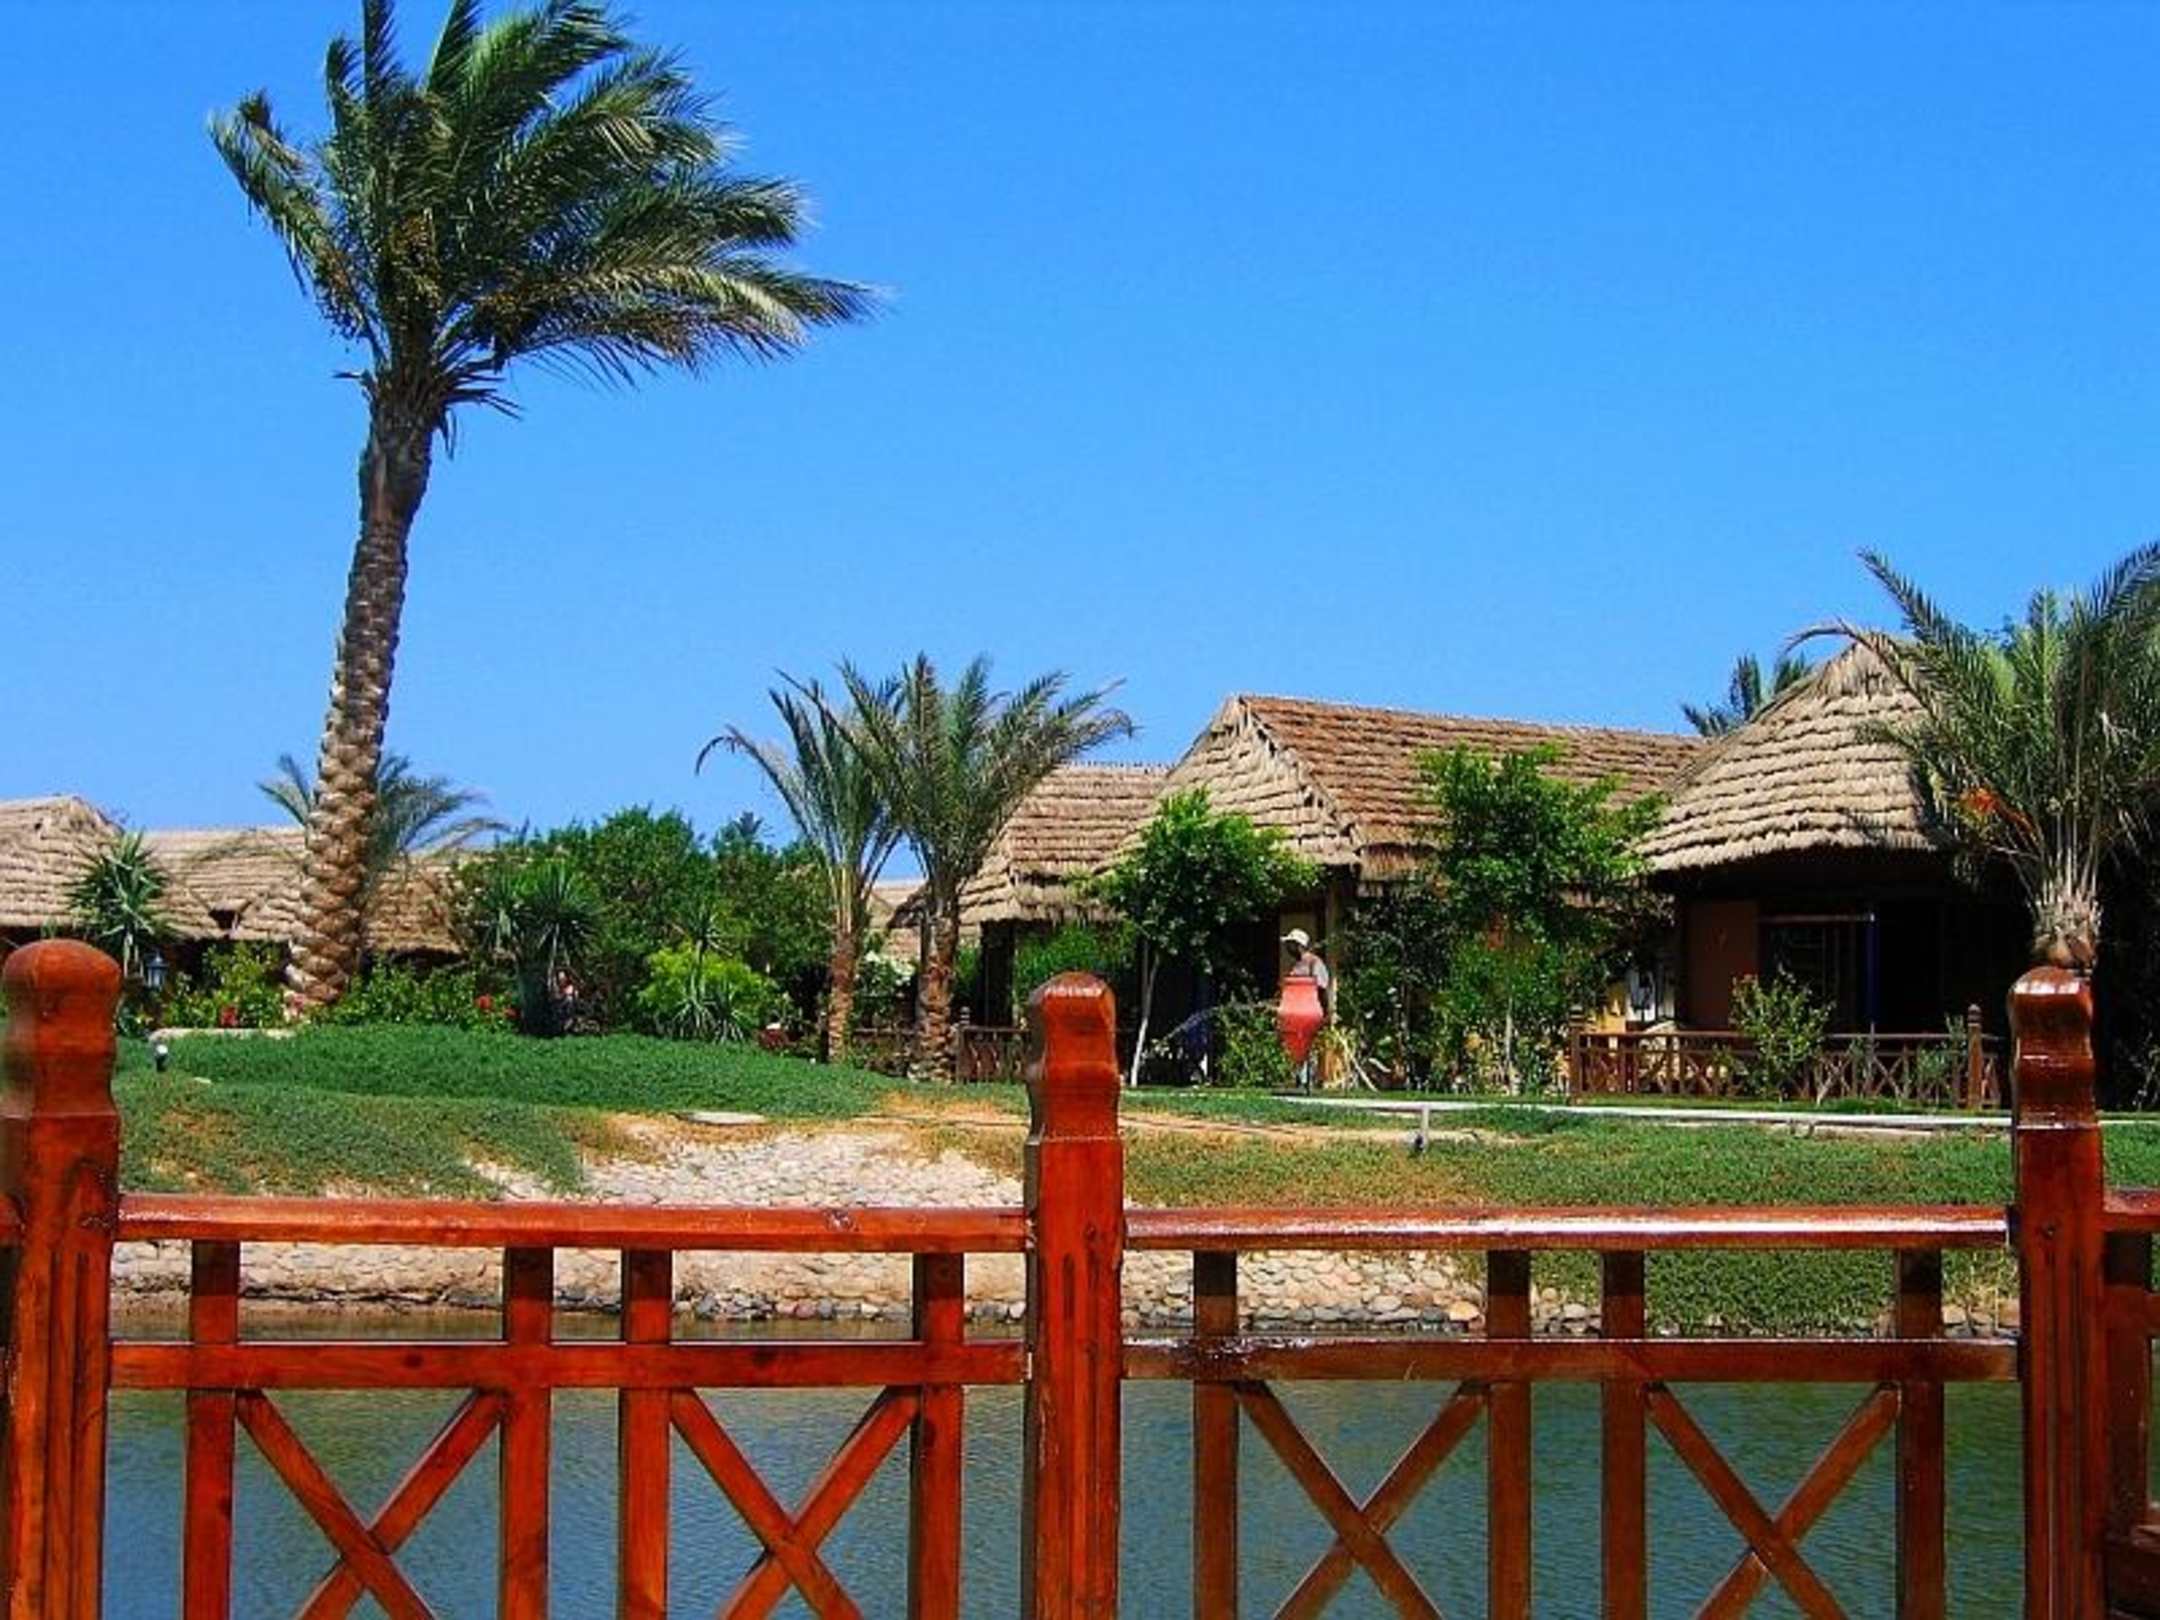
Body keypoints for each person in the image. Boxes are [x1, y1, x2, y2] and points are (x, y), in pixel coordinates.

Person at [1282, 929, 1332, 1087]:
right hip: (1293, 1011)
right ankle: (1299, 1079)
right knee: (1295, 1043)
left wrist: (1327, 1012)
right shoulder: (1296, 966)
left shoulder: (1314, 963)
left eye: (1290, 945)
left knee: (1310, 1045)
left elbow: (1322, 989)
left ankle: (1308, 1080)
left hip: (1310, 1009)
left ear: (1299, 945)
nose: (1287, 948)